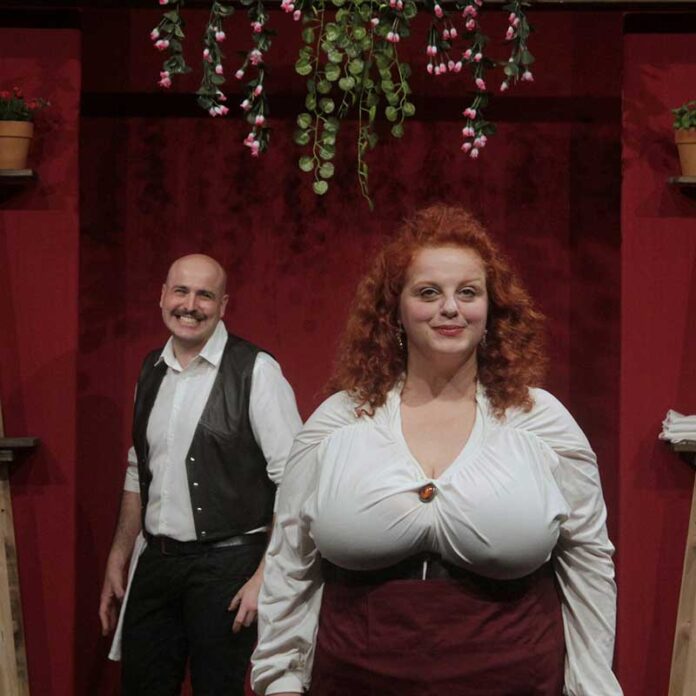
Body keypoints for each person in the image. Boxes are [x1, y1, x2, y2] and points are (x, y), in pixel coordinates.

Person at [251, 205, 622, 696]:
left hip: (515, 679)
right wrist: (280, 677)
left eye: (468, 292)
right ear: (395, 310)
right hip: (355, 680)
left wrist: (592, 685)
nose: (450, 308)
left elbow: (588, 563)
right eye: (428, 292)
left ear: (491, 309)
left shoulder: (542, 422)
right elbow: (290, 562)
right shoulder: (338, 422)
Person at [99, 253, 302, 696]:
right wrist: (119, 555)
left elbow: (297, 482)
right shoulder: (150, 370)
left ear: (223, 305)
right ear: (162, 297)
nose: (190, 305)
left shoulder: (256, 371)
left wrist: (265, 576)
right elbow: (138, 469)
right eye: (181, 291)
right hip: (156, 564)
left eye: (204, 295)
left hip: (229, 568)